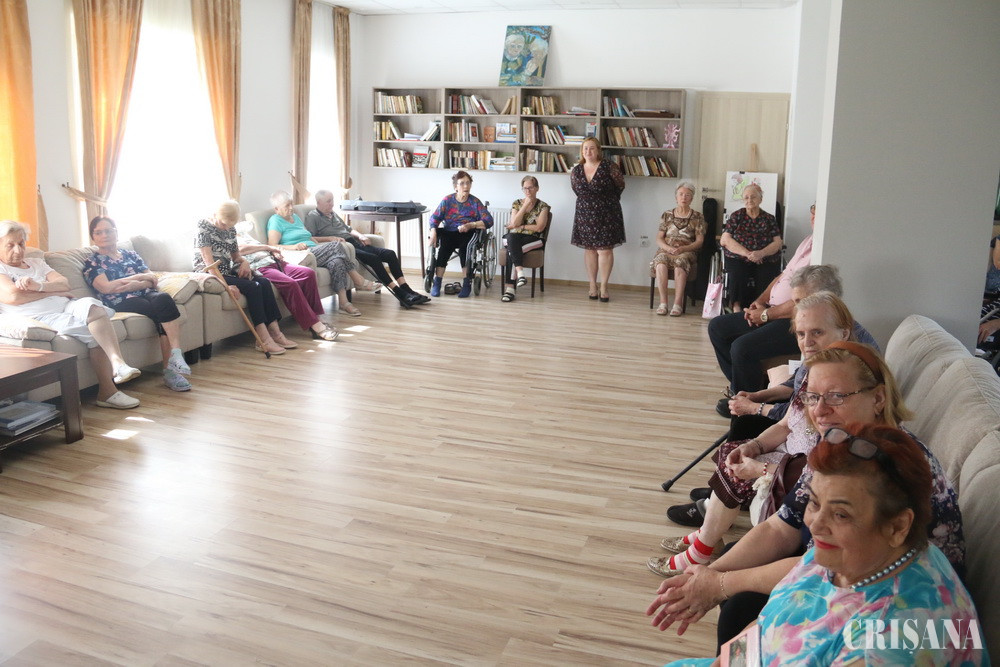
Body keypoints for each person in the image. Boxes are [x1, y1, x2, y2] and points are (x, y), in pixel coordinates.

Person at [646, 343, 965, 655]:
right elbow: (782, 527)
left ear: (878, 398)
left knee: (741, 603)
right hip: (843, 579)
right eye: (811, 397)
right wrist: (705, 577)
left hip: (868, 590)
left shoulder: (888, 469)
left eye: (836, 396)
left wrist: (720, 584)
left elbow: (819, 565)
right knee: (737, 581)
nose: (819, 411)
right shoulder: (841, 446)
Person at [650, 424, 987, 667]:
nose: (815, 524)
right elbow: (770, 624)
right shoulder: (854, 557)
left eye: (841, 514)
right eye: (813, 502)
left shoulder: (891, 642)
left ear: (898, 526)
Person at [649, 292, 855, 575]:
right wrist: (755, 446)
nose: (807, 342)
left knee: (738, 462)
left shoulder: (846, 388)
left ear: (844, 333)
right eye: (801, 333)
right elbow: (786, 425)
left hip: (805, 473)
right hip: (791, 454)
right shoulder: (813, 369)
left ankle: (703, 548)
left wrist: (761, 468)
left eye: (817, 332)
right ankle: (707, 539)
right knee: (735, 452)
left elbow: (824, 475)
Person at [0, 220, 140, 409]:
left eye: (21, 243)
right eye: (10, 245)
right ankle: (108, 393)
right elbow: (13, 296)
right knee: (95, 334)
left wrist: (38, 286)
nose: (18, 250)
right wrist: (51, 291)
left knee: (93, 306)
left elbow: (64, 284)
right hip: (43, 316)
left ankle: (119, 363)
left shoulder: (36, 263)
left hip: (67, 304)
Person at [708, 204, 816, 401]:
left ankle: (748, 402)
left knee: (741, 347)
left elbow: (806, 302)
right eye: (813, 212)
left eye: (818, 213)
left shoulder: (823, 248)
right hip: (772, 309)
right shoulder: (808, 240)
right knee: (717, 327)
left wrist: (765, 315)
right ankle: (743, 389)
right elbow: (782, 276)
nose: (814, 217)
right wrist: (760, 301)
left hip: (793, 320)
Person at [83, 216, 194, 392]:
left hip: (144, 293)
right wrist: (138, 278)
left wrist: (134, 284)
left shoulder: (131, 255)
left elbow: (152, 279)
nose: (104, 235)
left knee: (164, 299)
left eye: (108, 231)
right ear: (93, 237)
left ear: (116, 233)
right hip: (120, 301)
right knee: (161, 311)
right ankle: (171, 371)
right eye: (99, 232)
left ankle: (176, 355)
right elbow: (106, 288)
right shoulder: (93, 262)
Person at [194, 201, 294, 355]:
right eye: (223, 224)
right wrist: (225, 286)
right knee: (253, 287)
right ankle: (263, 340)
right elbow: (209, 265)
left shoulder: (230, 229)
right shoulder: (203, 226)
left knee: (264, 282)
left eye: (229, 226)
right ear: (216, 215)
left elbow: (236, 256)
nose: (226, 228)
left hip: (227, 271)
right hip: (209, 273)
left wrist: (245, 263)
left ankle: (275, 332)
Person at [304, 189, 428, 308]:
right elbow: (310, 237)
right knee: (373, 258)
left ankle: (406, 288)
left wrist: (361, 236)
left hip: (355, 243)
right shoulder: (313, 216)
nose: (332, 203)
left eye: (332, 200)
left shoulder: (333, 214)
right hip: (345, 248)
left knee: (390, 254)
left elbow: (348, 229)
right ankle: (400, 293)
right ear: (319, 202)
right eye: (328, 201)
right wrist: (329, 238)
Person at [266, 190, 376, 317]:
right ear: (276, 209)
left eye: (291, 204)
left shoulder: (295, 217)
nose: (291, 208)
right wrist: (294, 247)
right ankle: (358, 280)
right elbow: (272, 245)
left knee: (337, 261)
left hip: (314, 249)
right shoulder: (275, 221)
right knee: (336, 246)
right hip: (301, 254)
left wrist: (323, 242)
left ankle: (343, 303)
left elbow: (309, 237)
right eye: (287, 206)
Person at [234, 223, 338, 342]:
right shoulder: (229, 238)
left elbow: (261, 248)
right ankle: (315, 325)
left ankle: (317, 316)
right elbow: (240, 250)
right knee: (290, 283)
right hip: (260, 267)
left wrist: (273, 252)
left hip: (274, 261)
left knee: (308, 273)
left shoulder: (244, 234)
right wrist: (268, 247)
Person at [570, 137, 625, 302]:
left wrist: (604, 201)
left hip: (607, 214)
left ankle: (604, 286)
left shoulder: (609, 166)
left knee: (605, 250)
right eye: (585, 148)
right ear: (582, 151)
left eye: (592, 148)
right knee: (590, 250)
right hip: (584, 215)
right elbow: (576, 190)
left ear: (598, 150)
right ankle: (592, 285)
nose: (588, 151)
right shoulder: (577, 170)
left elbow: (620, 185)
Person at [427, 170, 494, 298]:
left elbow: (489, 220)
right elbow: (434, 218)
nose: (466, 186)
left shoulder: (475, 202)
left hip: (468, 232)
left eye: (468, 183)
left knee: (466, 249)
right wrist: (433, 230)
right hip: (450, 232)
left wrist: (471, 225)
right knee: (443, 249)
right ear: (455, 187)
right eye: (462, 183)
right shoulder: (447, 200)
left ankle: (467, 283)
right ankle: (437, 282)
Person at [719, 183, 782, 311]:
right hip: (739, 257)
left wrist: (761, 253)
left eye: (753, 197)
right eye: (746, 197)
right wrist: (748, 254)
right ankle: (736, 306)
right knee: (737, 272)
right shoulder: (736, 216)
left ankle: (760, 305)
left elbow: (778, 243)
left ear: (760, 199)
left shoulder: (769, 218)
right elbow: (724, 240)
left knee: (766, 273)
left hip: (764, 258)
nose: (749, 200)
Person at [651, 181, 705, 316]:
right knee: (661, 261)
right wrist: (668, 248)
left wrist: (684, 249)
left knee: (680, 262)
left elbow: (699, 241)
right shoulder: (667, 214)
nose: (684, 197)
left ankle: (677, 303)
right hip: (667, 249)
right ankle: (663, 303)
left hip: (687, 251)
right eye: (681, 194)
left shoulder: (698, 217)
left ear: (692, 198)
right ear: (676, 197)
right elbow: (659, 238)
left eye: (687, 195)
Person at [501, 175, 550, 303]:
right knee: (511, 239)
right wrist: (525, 205)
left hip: (534, 239)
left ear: (537, 188)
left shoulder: (543, 206)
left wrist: (521, 226)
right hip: (514, 237)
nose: (527, 191)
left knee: (511, 250)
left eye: (530, 187)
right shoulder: (517, 203)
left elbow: (539, 228)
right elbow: (514, 222)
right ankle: (520, 273)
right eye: (525, 188)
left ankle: (509, 290)